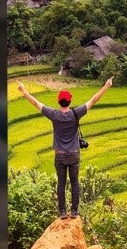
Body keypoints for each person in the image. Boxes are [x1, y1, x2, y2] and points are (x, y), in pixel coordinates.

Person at [17, 77, 113, 219]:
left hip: (60, 155)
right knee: (74, 182)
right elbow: (93, 100)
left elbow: (35, 103)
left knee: (61, 183)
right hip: (74, 154)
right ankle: (74, 212)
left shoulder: (54, 114)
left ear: (58, 102)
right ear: (70, 101)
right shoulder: (75, 113)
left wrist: (23, 90)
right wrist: (106, 86)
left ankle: (62, 212)